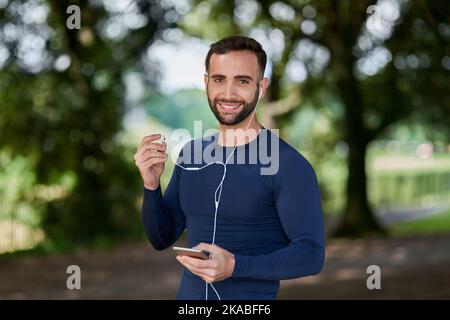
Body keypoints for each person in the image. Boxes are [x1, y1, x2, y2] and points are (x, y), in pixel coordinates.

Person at [134, 36, 325, 300]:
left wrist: (235, 266)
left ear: (262, 87)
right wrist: (151, 184)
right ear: (206, 84)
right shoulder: (191, 155)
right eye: (219, 79)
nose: (228, 93)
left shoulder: (287, 165)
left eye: (242, 81)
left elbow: (311, 255)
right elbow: (161, 238)